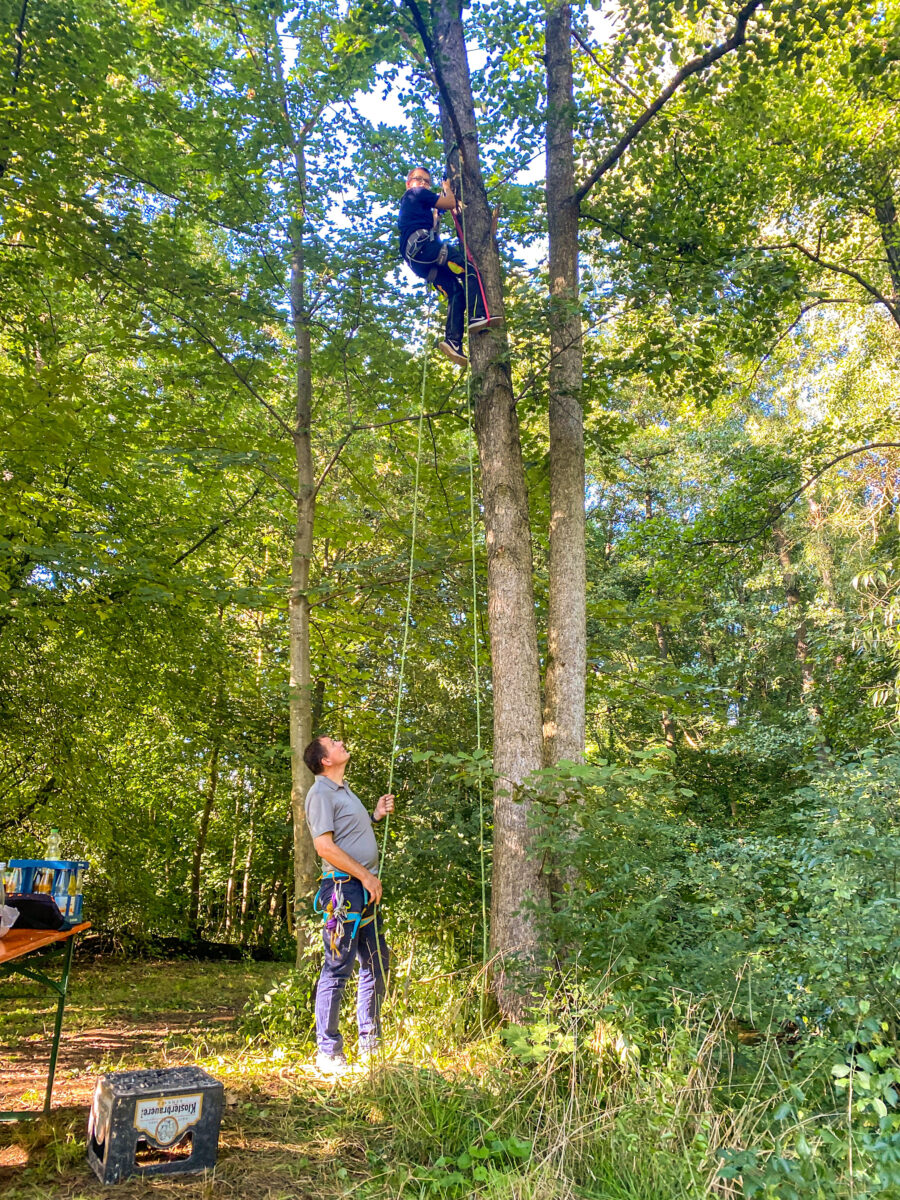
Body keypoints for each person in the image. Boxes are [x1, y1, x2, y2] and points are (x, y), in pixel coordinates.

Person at [303, 735, 394, 1076]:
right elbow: (324, 847)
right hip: (342, 893)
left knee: (376, 964)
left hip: (363, 889)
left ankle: (370, 1047)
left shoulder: (343, 790)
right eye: (333, 743)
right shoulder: (320, 793)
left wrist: (375, 815)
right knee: (337, 967)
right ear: (325, 760)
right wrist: (366, 877)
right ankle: (328, 1053)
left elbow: (350, 832)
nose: (341, 743)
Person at [398, 165, 492, 367]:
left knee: (456, 292)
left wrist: (437, 212)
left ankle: (453, 342)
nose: (423, 183)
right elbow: (449, 202)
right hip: (426, 250)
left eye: (426, 181)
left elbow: (434, 221)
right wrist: (447, 188)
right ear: (409, 183)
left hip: (420, 262)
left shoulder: (414, 207)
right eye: (418, 179)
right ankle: (478, 316)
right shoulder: (415, 193)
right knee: (469, 269)